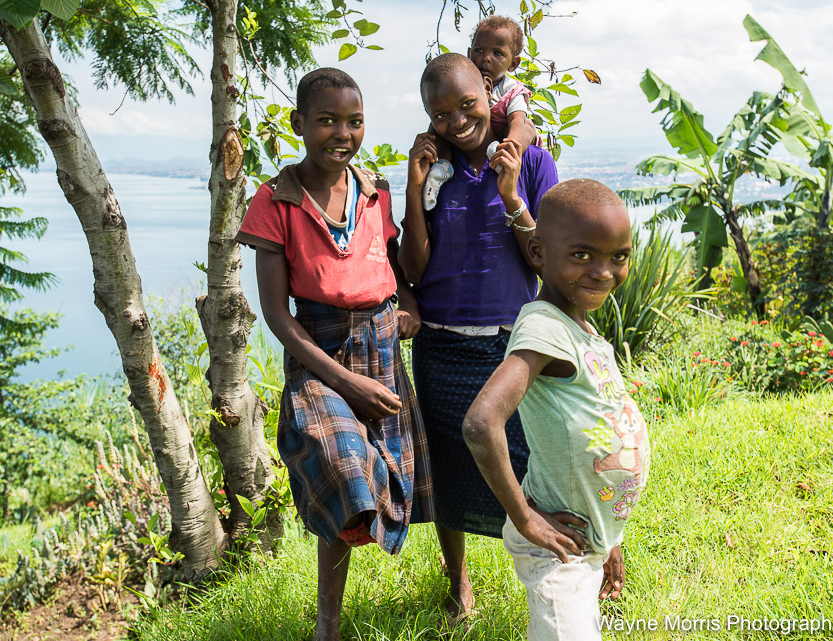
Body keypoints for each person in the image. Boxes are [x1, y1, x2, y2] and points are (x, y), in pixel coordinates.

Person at [234, 67, 434, 641]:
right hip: (319, 354)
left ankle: (451, 587)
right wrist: (348, 384)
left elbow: (392, 267)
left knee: (399, 474)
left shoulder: (373, 191)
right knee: (344, 465)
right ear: (299, 123)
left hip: (382, 346)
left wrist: (407, 306)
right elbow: (278, 316)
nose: (342, 134)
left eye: (354, 121)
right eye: (326, 121)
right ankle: (328, 625)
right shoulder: (275, 202)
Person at [398, 52, 558, 625]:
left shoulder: (532, 161)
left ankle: (561, 569)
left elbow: (545, 262)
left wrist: (512, 193)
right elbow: (412, 268)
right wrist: (414, 188)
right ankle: (458, 582)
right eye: (440, 113)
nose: (457, 121)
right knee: (447, 468)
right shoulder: (433, 170)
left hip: (511, 345)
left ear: (489, 92)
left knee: (534, 463)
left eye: (467, 105)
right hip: (440, 347)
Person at [462, 180, 650, 641]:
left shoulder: (577, 325)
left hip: (585, 539)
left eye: (618, 256)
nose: (603, 272)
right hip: (556, 549)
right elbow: (481, 423)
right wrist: (525, 519)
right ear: (538, 253)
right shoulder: (545, 326)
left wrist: (609, 541)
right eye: (582, 255)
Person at [422, 15, 538, 210]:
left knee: (527, 127)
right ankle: (442, 168)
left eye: (497, 53)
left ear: (513, 64)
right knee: (440, 128)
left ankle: (506, 157)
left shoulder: (512, 90)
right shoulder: (462, 85)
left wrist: (509, 145)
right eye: (479, 50)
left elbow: (517, 121)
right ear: (469, 53)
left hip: (504, 137)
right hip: (472, 141)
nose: (486, 58)